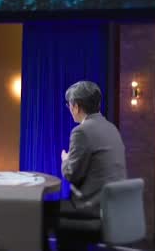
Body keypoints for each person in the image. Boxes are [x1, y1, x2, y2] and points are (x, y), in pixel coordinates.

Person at [56, 81, 127, 251]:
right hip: (116, 210)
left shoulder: (81, 131)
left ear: (76, 106)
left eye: (69, 105)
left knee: (45, 213)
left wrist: (65, 160)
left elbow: (71, 174)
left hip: (94, 210)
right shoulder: (111, 128)